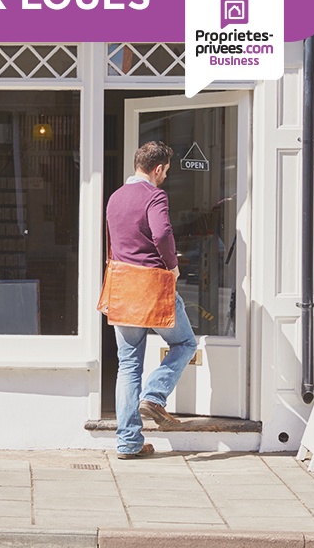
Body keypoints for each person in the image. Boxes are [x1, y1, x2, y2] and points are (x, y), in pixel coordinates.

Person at [105, 140, 198, 459]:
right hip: (152, 286)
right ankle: (155, 396)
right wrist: (172, 267)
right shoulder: (154, 195)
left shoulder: (115, 197)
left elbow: (114, 243)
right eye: (166, 171)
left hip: (122, 286)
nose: (166, 177)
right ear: (157, 169)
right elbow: (161, 234)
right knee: (185, 343)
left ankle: (128, 442)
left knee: (128, 365)